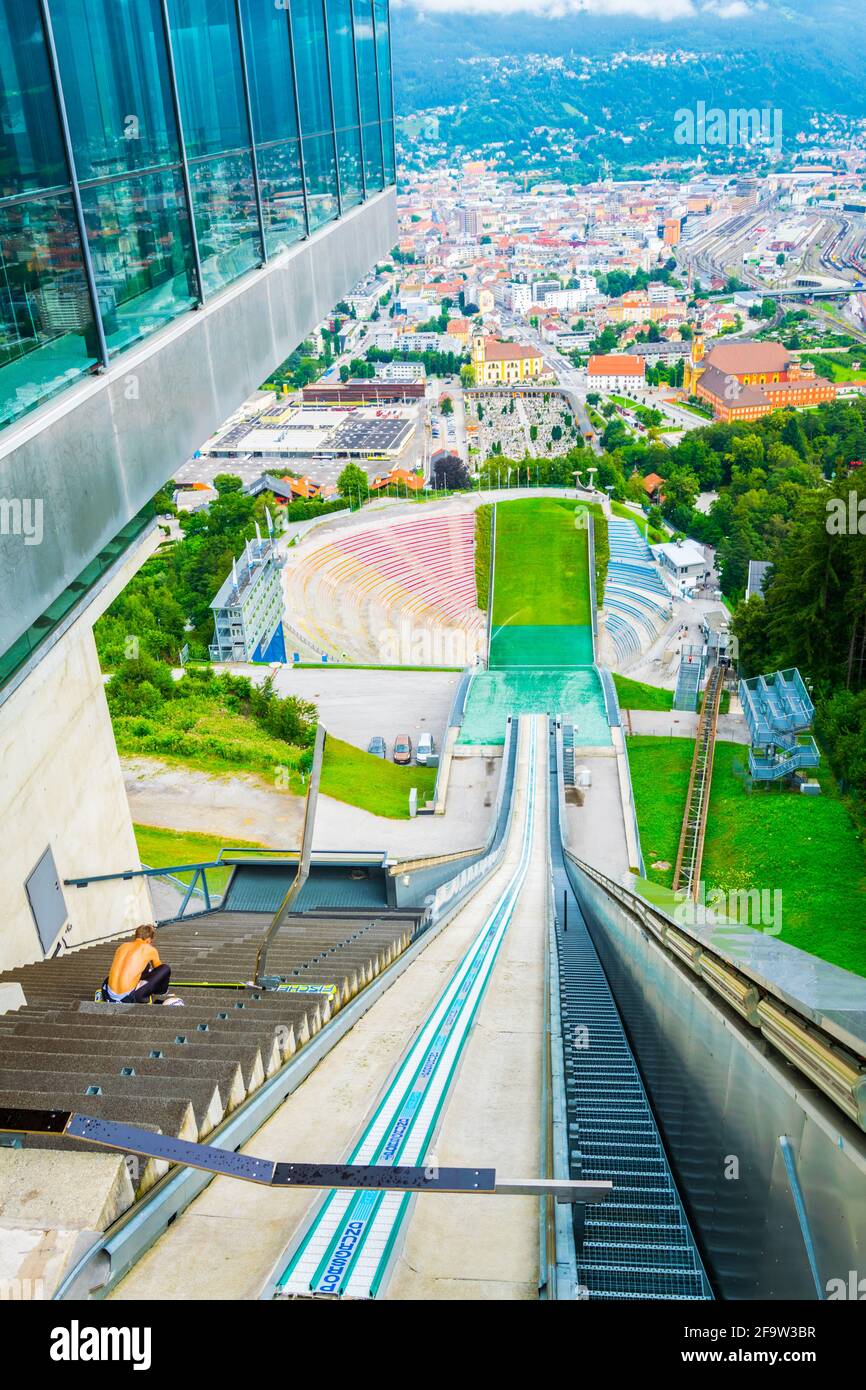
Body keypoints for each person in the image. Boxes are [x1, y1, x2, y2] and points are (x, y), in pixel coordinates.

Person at [101, 924, 174, 1004]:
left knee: (130, 968)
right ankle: (162, 992)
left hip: (107, 994)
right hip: (128, 998)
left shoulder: (122, 946)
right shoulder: (149, 949)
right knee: (165, 968)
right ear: (149, 939)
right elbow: (158, 969)